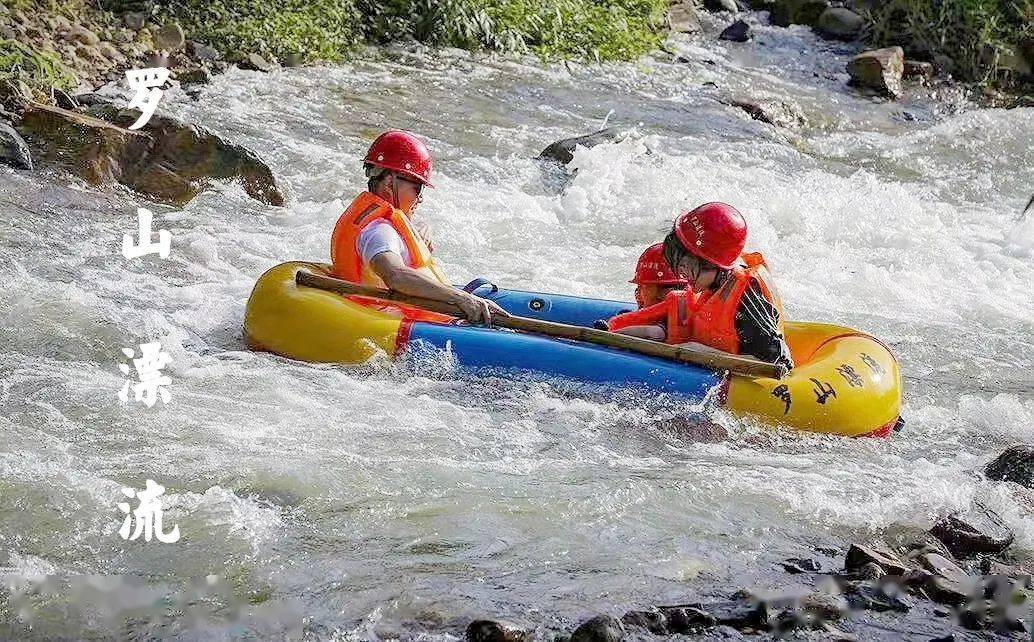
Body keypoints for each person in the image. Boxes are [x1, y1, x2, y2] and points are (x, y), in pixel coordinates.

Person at [330, 130, 507, 325]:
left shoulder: (377, 222)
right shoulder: (378, 231)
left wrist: (418, 229)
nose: (420, 198)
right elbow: (395, 275)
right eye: (418, 188)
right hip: (398, 324)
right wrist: (461, 297)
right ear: (389, 182)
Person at [608, 203, 793, 370]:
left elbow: (777, 362)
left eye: (688, 265)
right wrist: (614, 335)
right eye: (680, 264)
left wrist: (703, 353)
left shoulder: (747, 296)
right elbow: (664, 330)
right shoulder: (710, 287)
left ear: (712, 264)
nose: (682, 272)